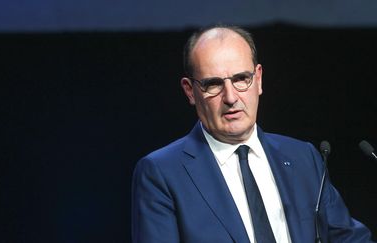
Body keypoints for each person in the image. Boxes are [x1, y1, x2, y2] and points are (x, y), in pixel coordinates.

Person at [131, 24, 374, 243]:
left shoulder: (303, 157)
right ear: (190, 91)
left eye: (241, 79)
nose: (230, 97)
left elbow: (349, 238)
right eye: (213, 84)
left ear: (258, 80)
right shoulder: (161, 173)